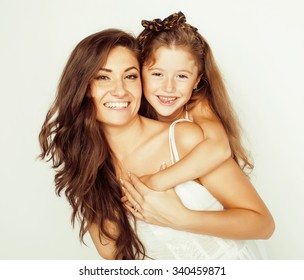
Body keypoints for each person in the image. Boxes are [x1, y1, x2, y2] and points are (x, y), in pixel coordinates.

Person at [39, 28, 274, 260]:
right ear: (83, 87)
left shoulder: (185, 139)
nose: (119, 90)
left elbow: (262, 224)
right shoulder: (87, 165)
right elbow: (113, 255)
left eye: (130, 76)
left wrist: (182, 218)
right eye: (103, 77)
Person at [132, 11, 251, 191]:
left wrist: (155, 182)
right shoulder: (131, 112)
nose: (169, 87)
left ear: (197, 80)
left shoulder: (198, 106)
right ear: (139, 73)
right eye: (157, 74)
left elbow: (219, 148)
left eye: (181, 76)